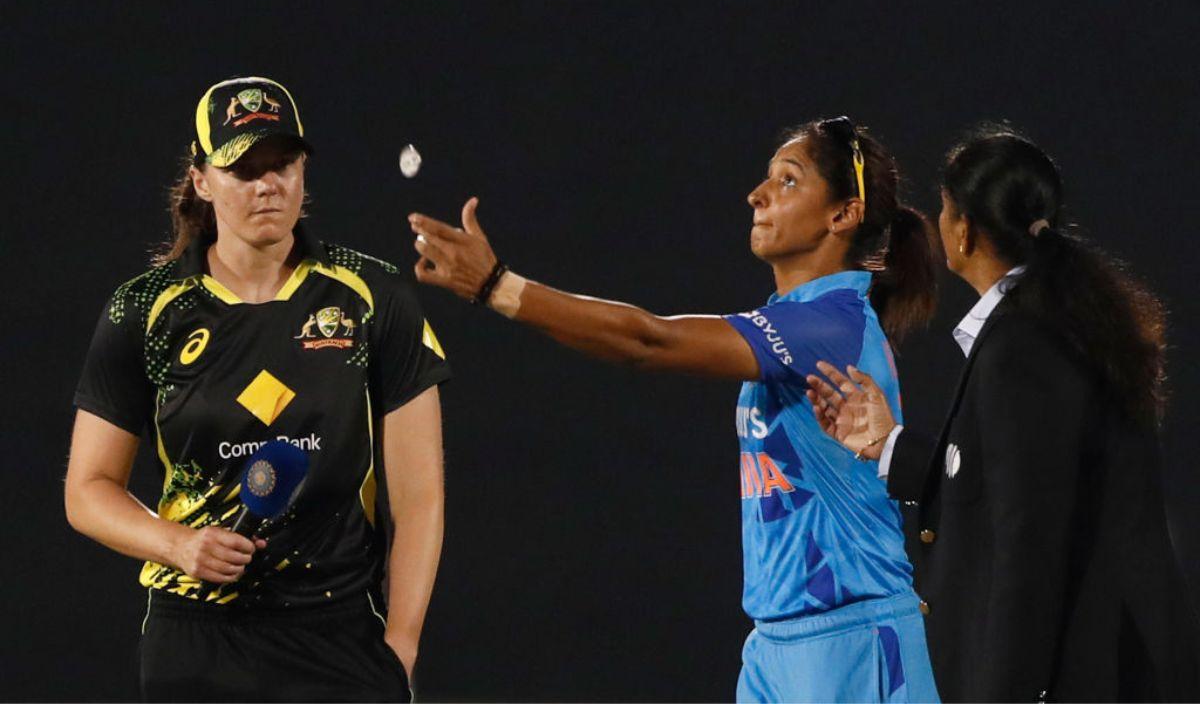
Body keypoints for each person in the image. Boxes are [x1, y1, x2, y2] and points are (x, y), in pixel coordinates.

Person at [408, 117, 943, 702]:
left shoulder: (832, 321)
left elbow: (648, 341)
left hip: (855, 642)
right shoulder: (794, 323)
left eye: (788, 181)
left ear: (843, 214)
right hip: (775, 645)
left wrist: (498, 287)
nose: (757, 194)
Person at [65, 76, 451, 702]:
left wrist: (401, 646)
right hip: (197, 644)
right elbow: (86, 490)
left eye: (283, 164)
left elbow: (421, 496)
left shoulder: (373, 299)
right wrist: (179, 546)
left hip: (338, 637)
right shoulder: (145, 310)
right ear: (202, 180)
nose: (268, 185)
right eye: (244, 169)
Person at [805, 125, 1200, 701]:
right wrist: (889, 445)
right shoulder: (1053, 322)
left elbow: (1027, 544)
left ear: (962, 230)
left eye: (943, 209)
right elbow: (1003, 488)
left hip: (1082, 674)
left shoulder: (1024, 345)